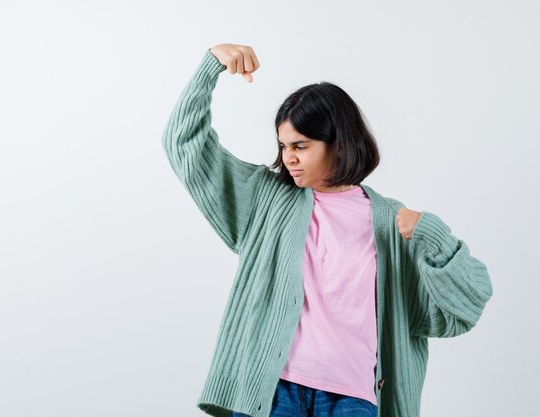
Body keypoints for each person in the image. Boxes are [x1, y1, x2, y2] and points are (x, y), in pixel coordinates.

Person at [161, 43, 493, 417]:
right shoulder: (266, 201)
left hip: (355, 399)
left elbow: (467, 306)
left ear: (338, 145)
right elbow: (183, 144)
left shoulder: (392, 222)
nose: (288, 157)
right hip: (273, 391)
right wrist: (211, 67)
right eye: (284, 145)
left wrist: (435, 237)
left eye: (300, 146)